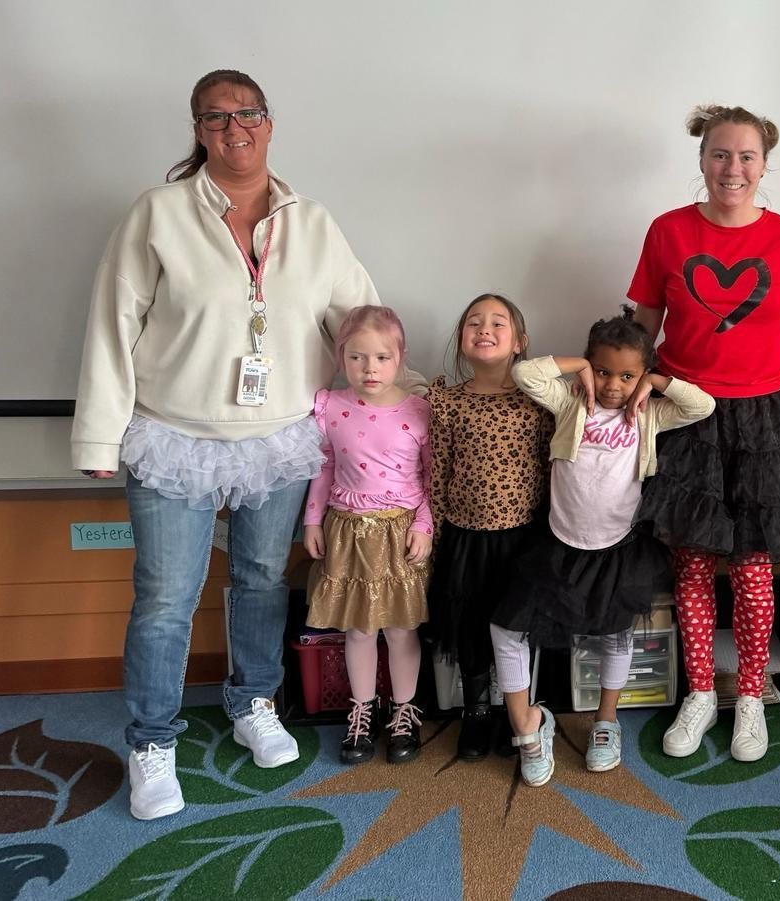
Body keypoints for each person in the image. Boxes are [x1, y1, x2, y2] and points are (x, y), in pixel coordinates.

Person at [71, 70, 389, 820]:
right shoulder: (157, 213)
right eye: (215, 117)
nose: (233, 127)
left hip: (278, 438)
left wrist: (391, 407)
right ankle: (151, 740)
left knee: (260, 579)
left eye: (247, 113)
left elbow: (361, 321)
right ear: (198, 130)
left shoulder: (312, 222)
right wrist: (100, 433)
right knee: (165, 597)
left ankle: (253, 701)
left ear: (269, 123)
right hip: (172, 434)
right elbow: (112, 325)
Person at [626, 103, 780, 764]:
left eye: (747, 156)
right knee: (691, 561)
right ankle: (699, 692)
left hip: (765, 419)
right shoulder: (667, 231)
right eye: (720, 154)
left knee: (752, 566)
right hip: (687, 412)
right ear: (701, 160)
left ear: (764, 165)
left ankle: (749, 694)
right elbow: (643, 324)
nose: (733, 168)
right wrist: (617, 381)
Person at [491, 311, 715, 786]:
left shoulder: (650, 414)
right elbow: (525, 373)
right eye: (604, 371)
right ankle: (528, 727)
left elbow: (702, 406)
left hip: (618, 547)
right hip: (559, 543)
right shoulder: (571, 401)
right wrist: (577, 369)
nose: (614, 385)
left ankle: (606, 722)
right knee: (506, 627)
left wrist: (654, 382)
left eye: (626, 375)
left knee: (616, 634)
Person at [427, 294, 554, 761]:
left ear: (520, 342)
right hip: (465, 537)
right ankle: (477, 710)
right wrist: (434, 534)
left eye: (498, 323)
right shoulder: (447, 401)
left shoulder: (538, 402)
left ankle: (513, 709)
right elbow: (438, 471)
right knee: (471, 626)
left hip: (522, 538)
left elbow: (551, 467)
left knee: (515, 627)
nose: (485, 329)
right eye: (474, 323)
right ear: (462, 340)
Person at [303, 306, 431, 764]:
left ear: (400, 357)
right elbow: (323, 466)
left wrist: (424, 525)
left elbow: (431, 478)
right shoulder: (330, 407)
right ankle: (362, 713)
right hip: (347, 533)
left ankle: (404, 712)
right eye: (356, 358)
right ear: (341, 357)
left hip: (400, 533)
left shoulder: (420, 411)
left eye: (381, 358)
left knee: (400, 629)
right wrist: (312, 520)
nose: (369, 369)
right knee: (359, 629)